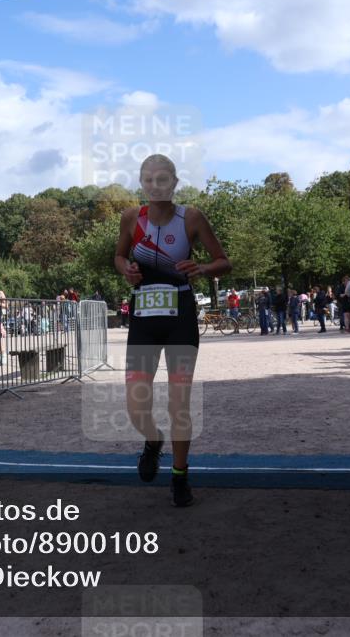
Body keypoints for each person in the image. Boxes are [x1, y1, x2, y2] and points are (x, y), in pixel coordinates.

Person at [114, 154, 231, 507]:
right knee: (136, 402)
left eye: (162, 179)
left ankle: (180, 476)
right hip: (144, 317)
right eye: (148, 180)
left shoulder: (191, 218)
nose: (155, 185)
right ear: (142, 183)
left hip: (179, 314)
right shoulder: (131, 218)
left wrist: (203, 268)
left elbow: (224, 262)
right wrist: (126, 270)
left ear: (174, 183)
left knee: (179, 401)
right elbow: (119, 256)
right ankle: (153, 440)